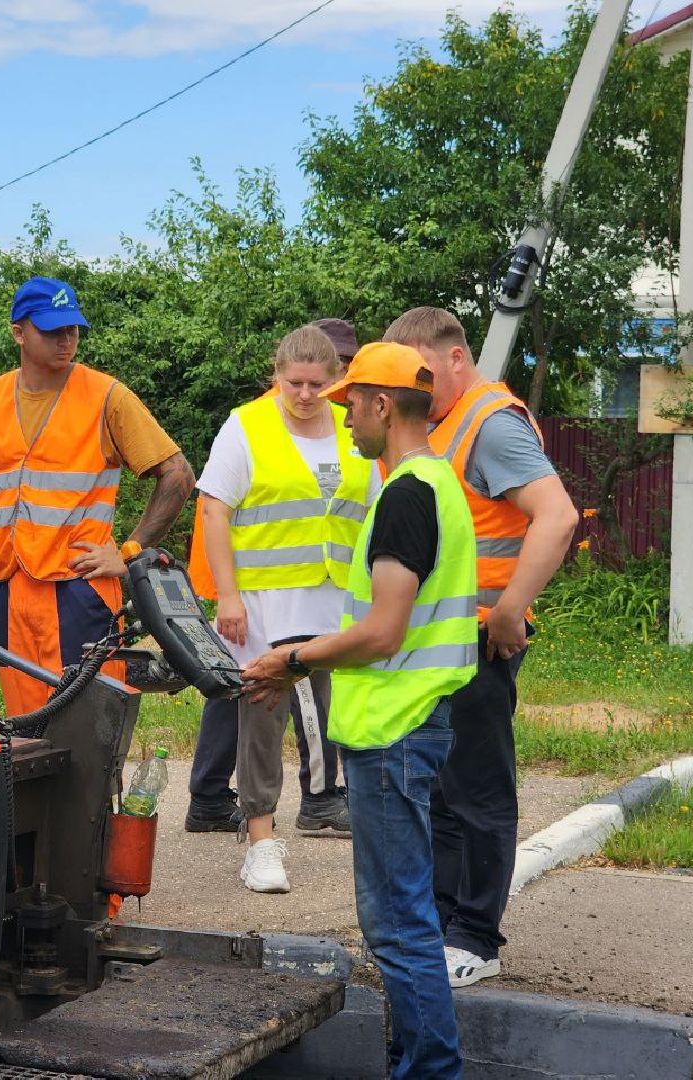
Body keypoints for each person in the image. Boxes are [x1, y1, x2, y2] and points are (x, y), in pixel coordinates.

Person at [243, 342, 478, 1080]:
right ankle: (420, 1063)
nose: (343, 416)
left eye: (350, 403)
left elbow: (383, 630)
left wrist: (293, 659)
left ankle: (431, 1071)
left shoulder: (407, 492)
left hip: (393, 730)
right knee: (402, 921)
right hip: (408, 724)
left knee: (400, 926)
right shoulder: (433, 483)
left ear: (382, 404)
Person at [381, 307, 577, 988]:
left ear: (457, 358)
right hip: (439, 641)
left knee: (478, 791)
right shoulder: (437, 423)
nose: (415, 386)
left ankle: (476, 938)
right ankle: (442, 925)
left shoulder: (489, 424)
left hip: (480, 639)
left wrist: (509, 612)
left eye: (424, 372)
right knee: (441, 789)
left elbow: (558, 515)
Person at [0, 276, 194, 714]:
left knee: (89, 724)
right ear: (19, 333)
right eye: (52, 330)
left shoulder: (106, 397)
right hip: (10, 586)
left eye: (72, 329)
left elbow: (178, 474)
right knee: (24, 726)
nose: (66, 340)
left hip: (80, 589)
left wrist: (130, 553)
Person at [197, 325, 378, 892]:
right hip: (264, 606)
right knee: (261, 717)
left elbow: (374, 511)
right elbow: (213, 510)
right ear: (276, 377)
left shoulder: (355, 432)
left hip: (336, 604)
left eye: (317, 385)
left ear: (336, 383)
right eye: (294, 383)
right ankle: (260, 840)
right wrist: (228, 596)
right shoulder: (246, 426)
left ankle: (329, 805)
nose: (304, 395)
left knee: (332, 716)